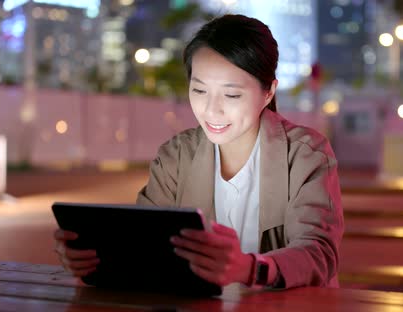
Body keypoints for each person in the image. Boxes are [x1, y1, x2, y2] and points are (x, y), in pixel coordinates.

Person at [54, 14, 343, 289]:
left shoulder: (305, 154)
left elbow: (318, 253)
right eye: (200, 90)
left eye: (231, 94)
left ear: (268, 92)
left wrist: (250, 268)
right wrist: (93, 258)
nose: (211, 109)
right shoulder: (176, 156)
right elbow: (142, 243)